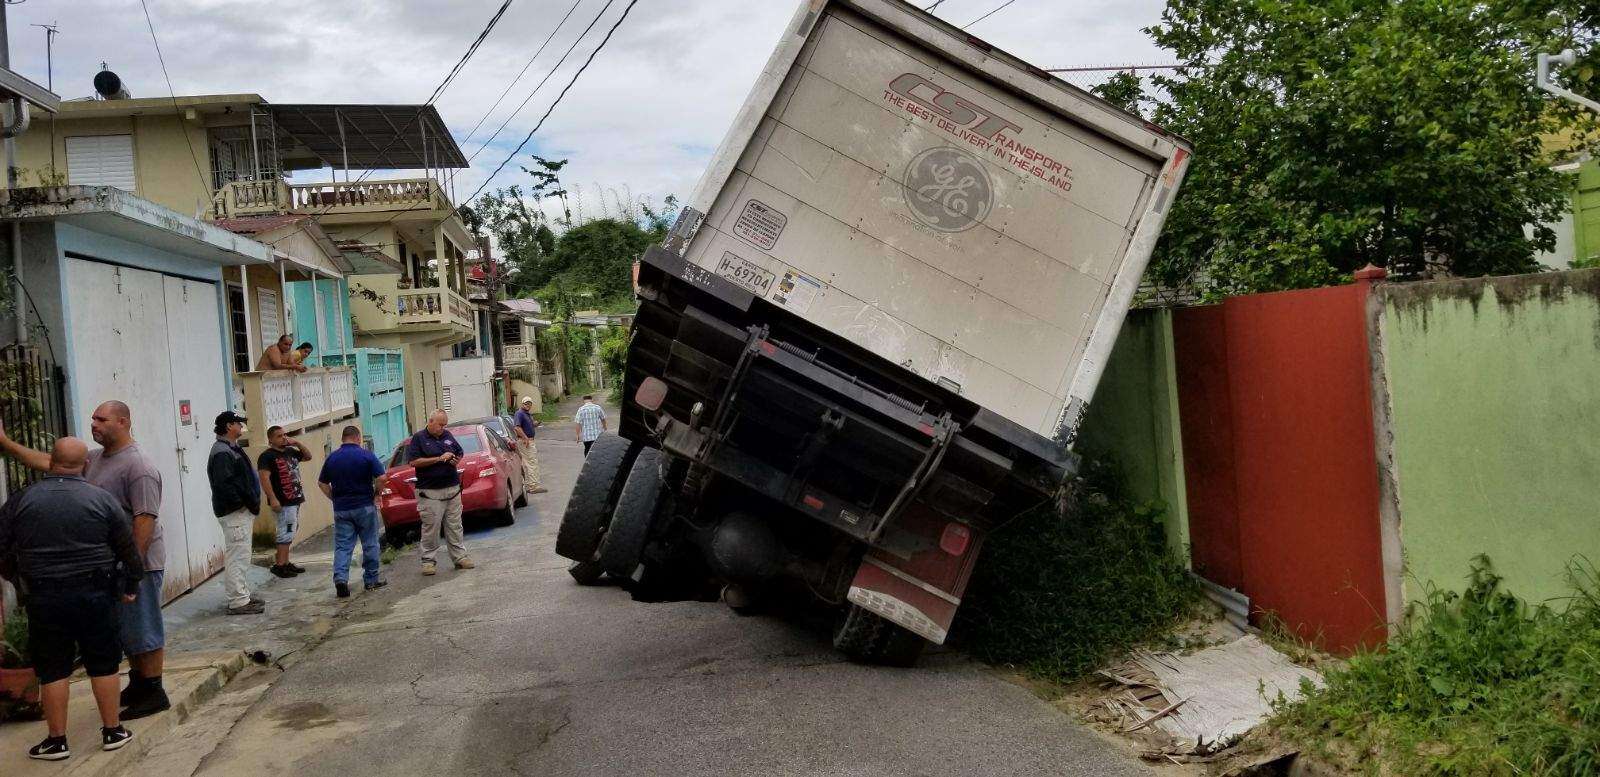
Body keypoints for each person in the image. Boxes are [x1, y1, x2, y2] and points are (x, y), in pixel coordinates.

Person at [0, 401, 171, 719]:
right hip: (115, 564)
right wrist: (7, 444)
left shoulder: (139, 466)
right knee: (129, 628)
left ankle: (154, 690)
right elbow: (49, 462)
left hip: (139, 562)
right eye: (93, 418)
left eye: (101, 419)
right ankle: (138, 684)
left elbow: (144, 519)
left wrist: (129, 566)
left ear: (122, 422)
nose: (94, 423)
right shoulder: (96, 459)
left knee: (144, 626)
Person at [0, 438, 141, 760]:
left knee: (53, 669)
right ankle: (112, 731)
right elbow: (128, 551)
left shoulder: (23, 500)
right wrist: (130, 585)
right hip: (95, 593)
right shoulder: (102, 500)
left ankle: (56, 740)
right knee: (103, 663)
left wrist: (18, 579)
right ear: (85, 465)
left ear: (51, 461)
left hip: (44, 595)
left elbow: (1, 546)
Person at [318, 425, 388, 598]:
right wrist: (377, 494)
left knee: (343, 546)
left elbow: (322, 483)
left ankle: (341, 579)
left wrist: (334, 498)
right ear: (357, 438)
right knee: (370, 543)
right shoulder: (366, 455)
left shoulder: (332, 458)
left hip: (342, 509)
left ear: (343, 438)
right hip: (364, 505)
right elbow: (381, 477)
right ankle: (371, 580)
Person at [207, 411, 264, 615]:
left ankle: (242, 596)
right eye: (239, 424)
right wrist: (241, 504)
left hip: (239, 511)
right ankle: (238, 600)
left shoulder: (230, 448)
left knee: (241, 554)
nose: (241, 427)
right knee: (238, 556)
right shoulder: (222, 452)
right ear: (229, 426)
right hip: (235, 512)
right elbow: (225, 484)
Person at [406, 410, 474, 576]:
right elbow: (413, 461)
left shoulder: (447, 435)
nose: (443, 428)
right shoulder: (419, 438)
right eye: (440, 424)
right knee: (431, 527)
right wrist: (438, 458)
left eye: (445, 425)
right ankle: (428, 561)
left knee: (455, 525)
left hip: (452, 488)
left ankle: (460, 557)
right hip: (430, 492)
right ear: (430, 421)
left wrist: (456, 459)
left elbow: (459, 451)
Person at [256, 426, 311, 579]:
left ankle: (286, 562)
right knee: (285, 531)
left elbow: (308, 457)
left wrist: (297, 443)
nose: (284, 438)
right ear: (271, 440)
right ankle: (280, 565)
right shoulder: (266, 457)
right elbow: (264, 478)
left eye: (285, 435)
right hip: (283, 500)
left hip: (295, 498)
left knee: (291, 529)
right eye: (279, 436)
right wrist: (273, 498)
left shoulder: (290, 451)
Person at [511, 397, 548, 495]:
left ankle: (528, 485)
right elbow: (517, 427)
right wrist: (525, 438)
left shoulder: (527, 414)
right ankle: (534, 486)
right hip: (526, 442)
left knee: (527, 464)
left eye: (529, 403)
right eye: (526, 403)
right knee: (532, 463)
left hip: (527, 441)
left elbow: (529, 425)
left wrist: (536, 423)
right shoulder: (519, 413)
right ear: (522, 404)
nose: (528, 405)